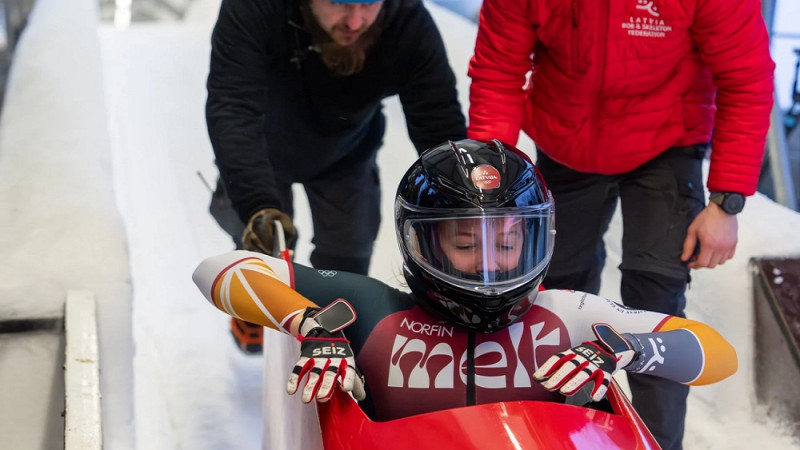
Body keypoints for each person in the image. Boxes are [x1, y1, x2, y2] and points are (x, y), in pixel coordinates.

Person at [192, 139, 737, 424]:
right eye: (464, 244)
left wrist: (631, 349)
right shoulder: (371, 312)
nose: (490, 265)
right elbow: (220, 268)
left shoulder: (566, 315)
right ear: (422, 245)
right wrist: (307, 322)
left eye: (506, 243)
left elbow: (716, 354)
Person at [465, 1, 774, 447]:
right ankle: (559, 433)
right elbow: (498, 70)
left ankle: (658, 443)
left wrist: (726, 202)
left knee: (656, 302)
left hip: (666, 141)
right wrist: (491, 190)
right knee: (553, 299)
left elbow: (746, 79)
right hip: (565, 137)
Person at [204, 0, 466, 352]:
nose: (355, 21)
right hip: (260, 149)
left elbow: (436, 114)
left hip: (347, 152)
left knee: (348, 256)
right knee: (264, 244)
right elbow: (232, 107)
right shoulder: (255, 8)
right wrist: (256, 204)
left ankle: (333, 340)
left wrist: (460, 199)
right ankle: (257, 301)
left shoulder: (404, 17)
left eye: (369, 3)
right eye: (339, 3)